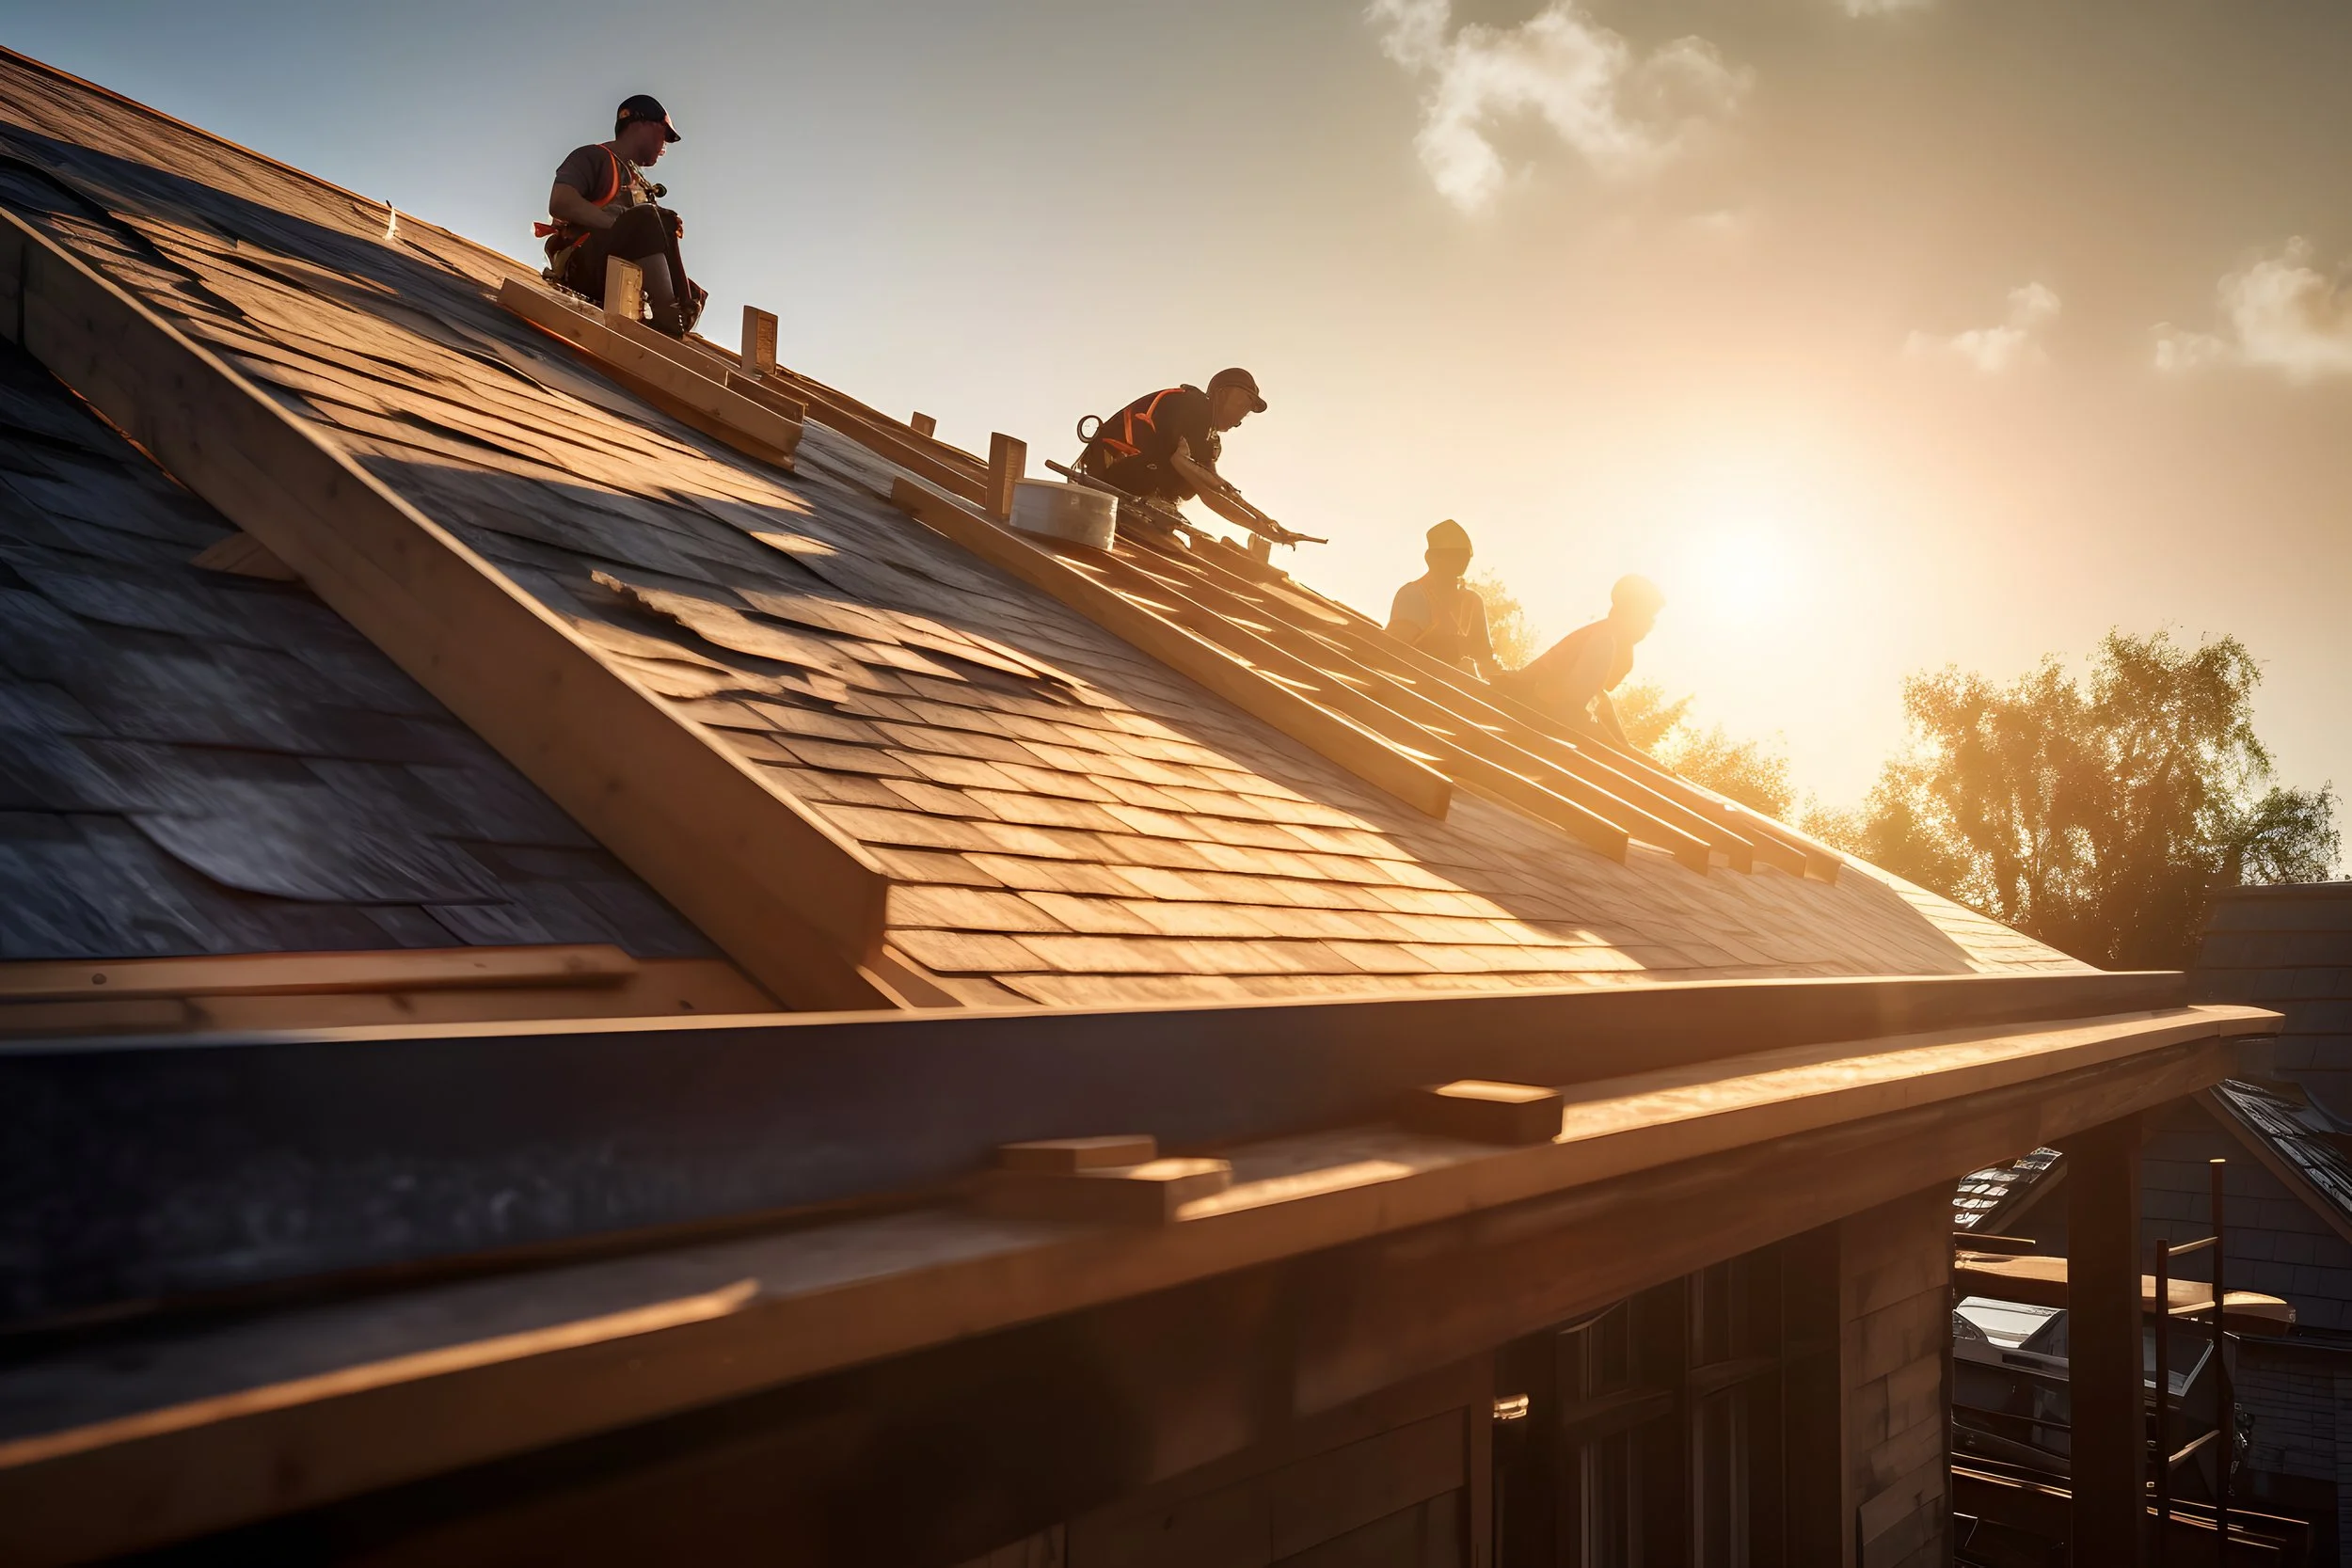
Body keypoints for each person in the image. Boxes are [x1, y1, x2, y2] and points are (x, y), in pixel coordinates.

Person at [538, 94, 704, 337]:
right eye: (664, 135)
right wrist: (624, 224)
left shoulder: (639, 181)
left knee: (693, 291)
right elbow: (560, 202)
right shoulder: (594, 157)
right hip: (583, 269)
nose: (664, 146)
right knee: (647, 217)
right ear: (641, 123)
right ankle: (667, 314)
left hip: (622, 282)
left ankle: (676, 309)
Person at [1077, 369, 1272, 535]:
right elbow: (1196, 477)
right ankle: (1149, 503)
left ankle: (1155, 503)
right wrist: (1256, 523)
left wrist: (1260, 524)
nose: (1239, 418)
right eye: (1240, 405)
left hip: (1131, 477)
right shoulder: (1192, 406)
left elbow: (1214, 486)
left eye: (1245, 412)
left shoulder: (1208, 439)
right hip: (1109, 474)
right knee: (1190, 475)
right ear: (1221, 395)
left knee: (1192, 481)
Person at [1494, 575, 1665, 747]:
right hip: (1528, 710)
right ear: (1631, 615)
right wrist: (1613, 747)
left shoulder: (1611, 637)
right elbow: (1568, 711)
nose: (1651, 625)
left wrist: (1623, 745)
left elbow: (1599, 698)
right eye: (1649, 617)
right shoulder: (1603, 642)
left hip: (1539, 706)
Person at [1386, 519, 1498, 679]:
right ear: (1430, 558)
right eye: (1451, 556)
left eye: (1463, 557)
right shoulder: (1412, 595)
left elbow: (1486, 658)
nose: (1458, 562)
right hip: (1421, 688)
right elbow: (1395, 655)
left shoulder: (1473, 601)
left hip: (1467, 692)